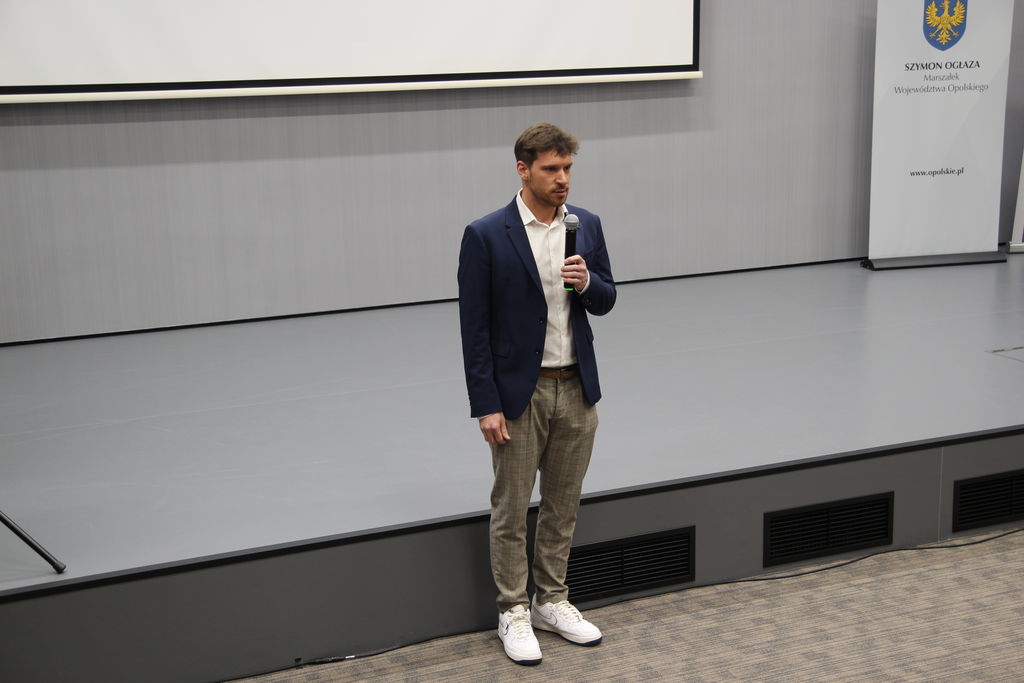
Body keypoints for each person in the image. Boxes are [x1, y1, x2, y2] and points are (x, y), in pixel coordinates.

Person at [457, 123, 617, 665]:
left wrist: (587, 282)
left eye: (567, 168)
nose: (562, 178)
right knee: (511, 508)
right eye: (551, 169)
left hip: (577, 388)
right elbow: (474, 329)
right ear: (523, 170)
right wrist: (486, 404)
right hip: (519, 395)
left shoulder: (585, 225)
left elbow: (607, 300)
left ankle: (551, 599)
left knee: (562, 504)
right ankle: (512, 609)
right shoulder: (486, 235)